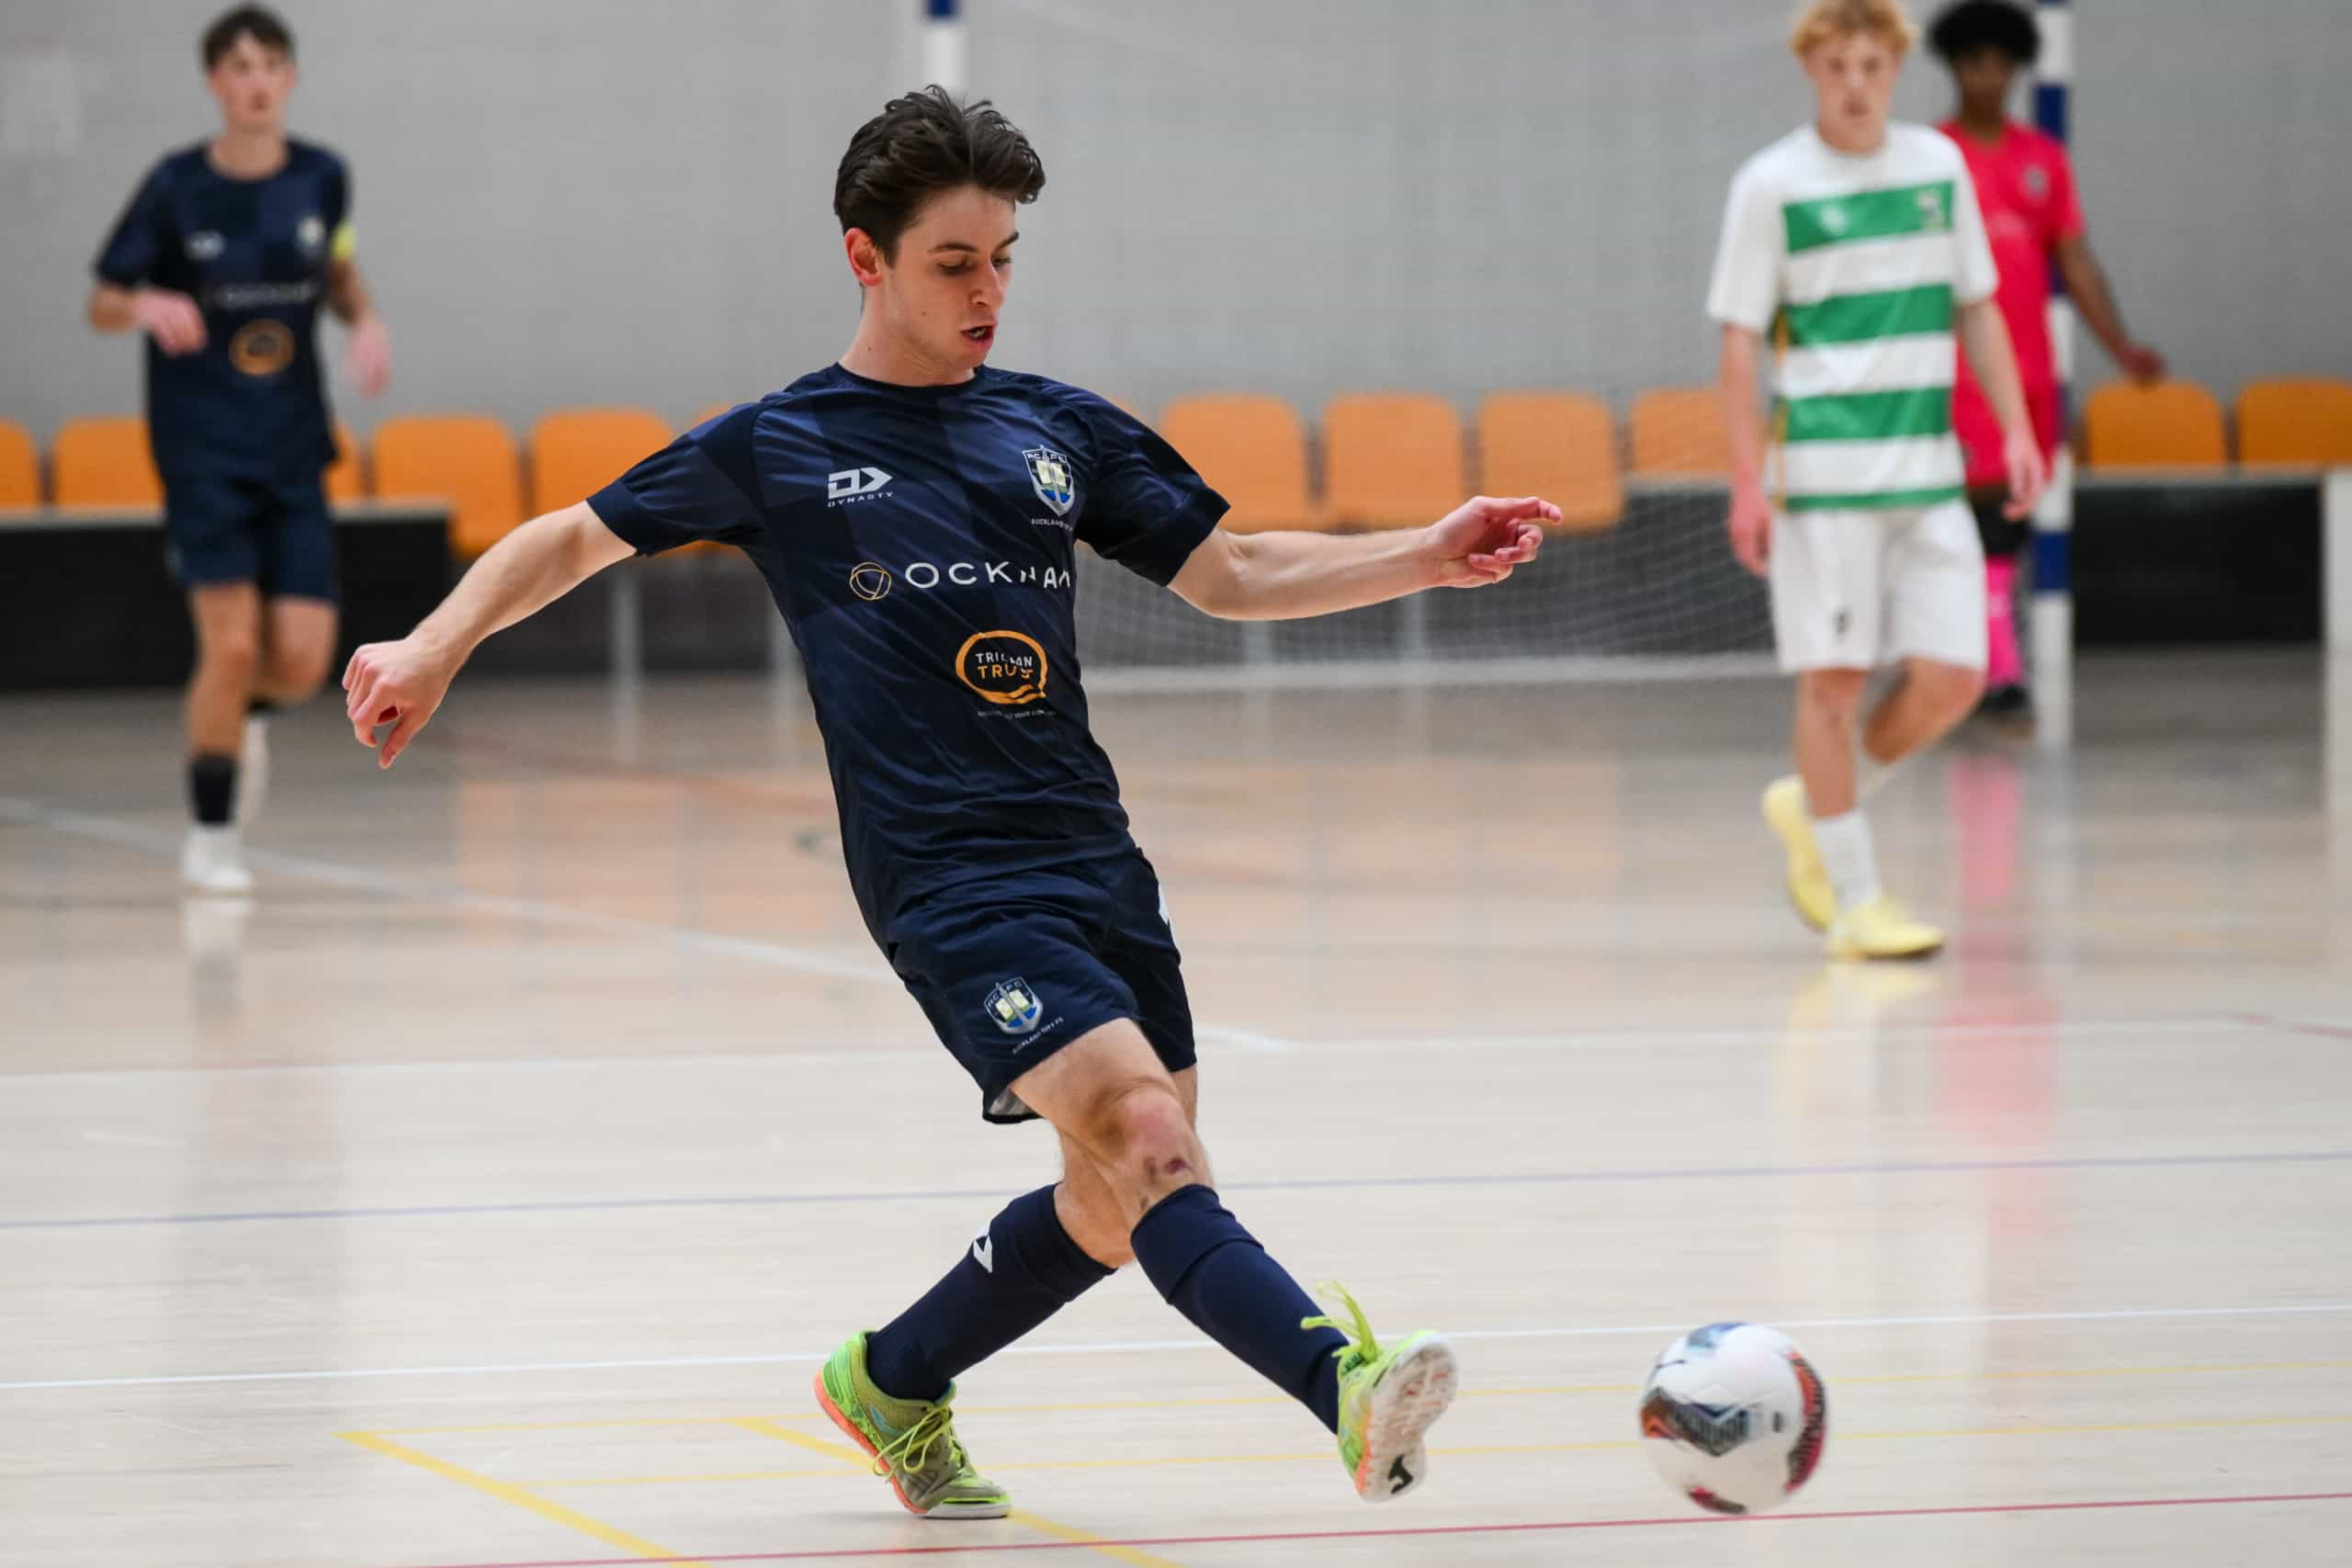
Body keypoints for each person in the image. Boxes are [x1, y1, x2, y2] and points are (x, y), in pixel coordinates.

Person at [341, 87, 1551, 1517]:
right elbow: (566, 539)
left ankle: (893, 1378)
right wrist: (432, 642)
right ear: (867, 257)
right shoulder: (782, 445)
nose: (989, 292)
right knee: (1152, 1140)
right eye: (953, 263)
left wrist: (1429, 549)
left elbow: (1237, 575)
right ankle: (1345, 1388)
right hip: (945, 875)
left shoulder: (1056, 430)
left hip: (1093, 858)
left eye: (1006, 258)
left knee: (1114, 1199)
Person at [1708, 0, 2047, 962]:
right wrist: (1746, 481)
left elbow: (1977, 306)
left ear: (1894, 68)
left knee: (1955, 678)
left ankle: (1815, 805)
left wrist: (2016, 428)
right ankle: (1854, 900)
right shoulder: (1770, 185)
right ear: (1810, 69)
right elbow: (1737, 341)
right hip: (1822, 480)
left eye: (1870, 64)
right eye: (1836, 65)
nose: (1854, 82)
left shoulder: (1937, 169)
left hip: (1930, 476)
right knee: (1834, 685)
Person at [88, 5, 392, 896]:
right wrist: (143, 306)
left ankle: (238, 720)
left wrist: (364, 319)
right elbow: (103, 299)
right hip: (201, 449)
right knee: (226, 647)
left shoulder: (324, 178)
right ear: (215, 83)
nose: (255, 82)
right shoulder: (176, 187)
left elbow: (335, 268)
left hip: (295, 445)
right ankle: (212, 834)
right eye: (238, 67)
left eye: (270, 65)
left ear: (289, 78)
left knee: (302, 658)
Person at [1930, 0, 2165, 718]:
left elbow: (2077, 261)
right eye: (1976, 61)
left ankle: (1980, 660)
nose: (1990, 75)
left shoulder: (2042, 161)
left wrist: (2119, 346)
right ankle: (1992, 668)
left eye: (2002, 62)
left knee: (2014, 516)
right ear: (1954, 66)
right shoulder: (1932, 156)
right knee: (1976, 519)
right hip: (1958, 371)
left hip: (2031, 370)